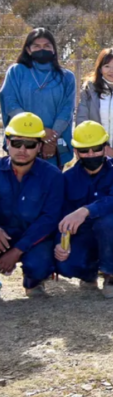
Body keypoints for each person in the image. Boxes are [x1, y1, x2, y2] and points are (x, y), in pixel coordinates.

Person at [53, 121, 113, 299]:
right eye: (84, 150)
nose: (91, 154)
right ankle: (89, 274)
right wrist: (61, 243)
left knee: (108, 222)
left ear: (105, 147)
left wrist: (85, 211)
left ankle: (111, 274)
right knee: (65, 265)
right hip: (84, 235)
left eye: (96, 148)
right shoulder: (68, 178)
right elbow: (63, 216)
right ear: (76, 152)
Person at [0, 113, 63, 297]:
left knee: (40, 263)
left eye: (30, 144)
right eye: (17, 143)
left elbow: (50, 218)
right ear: (7, 142)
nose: (22, 149)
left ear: (40, 147)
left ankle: (34, 282)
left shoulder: (53, 176)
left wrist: (18, 250)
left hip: (34, 237)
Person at [0, 27, 77, 168]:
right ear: (28, 50)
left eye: (47, 46)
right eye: (36, 46)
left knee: (49, 185)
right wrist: (40, 132)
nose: (42, 49)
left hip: (54, 144)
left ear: (54, 49)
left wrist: (51, 139)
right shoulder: (16, 72)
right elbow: (10, 104)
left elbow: (67, 110)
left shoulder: (67, 77)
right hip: (22, 142)